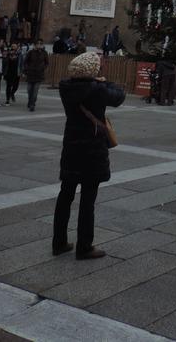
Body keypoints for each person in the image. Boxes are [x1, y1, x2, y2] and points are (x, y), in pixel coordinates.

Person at [52, 52, 125, 259]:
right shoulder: (96, 90)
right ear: (92, 71)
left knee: (65, 195)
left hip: (71, 147)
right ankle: (84, 246)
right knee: (87, 199)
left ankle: (59, 242)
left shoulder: (66, 88)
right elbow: (118, 96)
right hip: (92, 150)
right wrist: (104, 81)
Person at [24, 39, 49, 111]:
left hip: (39, 74)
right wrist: (27, 69)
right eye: (38, 43)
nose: (39, 45)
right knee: (29, 90)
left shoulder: (44, 53)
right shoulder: (30, 52)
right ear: (35, 45)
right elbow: (25, 62)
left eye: (41, 43)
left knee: (35, 92)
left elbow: (47, 63)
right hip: (30, 74)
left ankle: (32, 105)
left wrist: (43, 68)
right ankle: (30, 101)